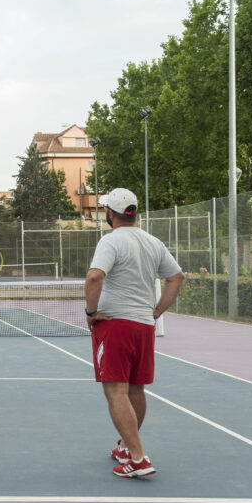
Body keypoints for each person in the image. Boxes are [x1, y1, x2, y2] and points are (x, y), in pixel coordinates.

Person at [85, 188, 184, 479]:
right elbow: (176, 277)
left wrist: (91, 313)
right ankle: (128, 448)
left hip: (115, 324)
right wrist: (156, 312)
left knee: (115, 391)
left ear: (110, 214)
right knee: (135, 389)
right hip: (143, 326)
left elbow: (94, 276)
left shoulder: (110, 241)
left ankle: (138, 458)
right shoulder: (153, 242)